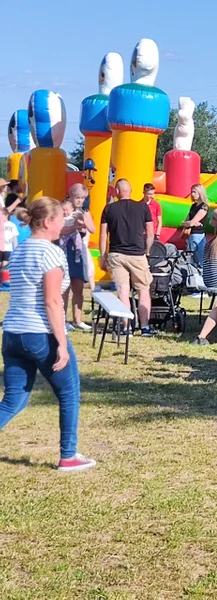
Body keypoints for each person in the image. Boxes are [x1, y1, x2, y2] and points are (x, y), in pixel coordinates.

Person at [0, 197, 95, 471]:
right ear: (48, 222)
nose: (62, 224)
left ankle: (69, 454)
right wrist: (62, 344)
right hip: (40, 333)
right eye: (60, 220)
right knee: (68, 393)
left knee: (14, 399)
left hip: (13, 332)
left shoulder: (20, 249)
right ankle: (68, 455)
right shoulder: (50, 253)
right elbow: (53, 301)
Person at [99, 179, 155, 336]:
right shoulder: (143, 207)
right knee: (143, 289)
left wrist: (103, 256)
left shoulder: (108, 209)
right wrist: (147, 250)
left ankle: (126, 327)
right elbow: (150, 233)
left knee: (123, 291)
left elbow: (103, 235)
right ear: (131, 191)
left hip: (116, 254)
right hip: (137, 254)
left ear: (116, 192)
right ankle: (145, 327)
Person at [59, 184, 96, 331]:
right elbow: (59, 230)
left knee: (78, 286)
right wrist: (74, 226)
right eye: (77, 198)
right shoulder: (62, 210)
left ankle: (77, 319)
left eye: (83, 198)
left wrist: (83, 221)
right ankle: (61, 319)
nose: (80, 201)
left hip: (78, 252)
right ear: (71, 196)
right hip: (63, 250)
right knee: (64, 287)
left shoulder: (84, 212)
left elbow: (92, 229)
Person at [181, 184, 209, 267]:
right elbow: (186, 222)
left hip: (198, 235)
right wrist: (188, 223)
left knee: (198, 260)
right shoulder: (193, 206)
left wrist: (190, 223)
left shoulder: (204, 206)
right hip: (191, 234)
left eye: (194, 192)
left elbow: (191, 223)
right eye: (192, 192)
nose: (192, 194)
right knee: (191, 260)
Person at [1, 206, 18, 287]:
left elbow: (14, 238)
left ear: (6, 215)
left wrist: (16, 249)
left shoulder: (12, 225)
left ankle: (3, 281)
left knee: (5, 265)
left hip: (7, 249)